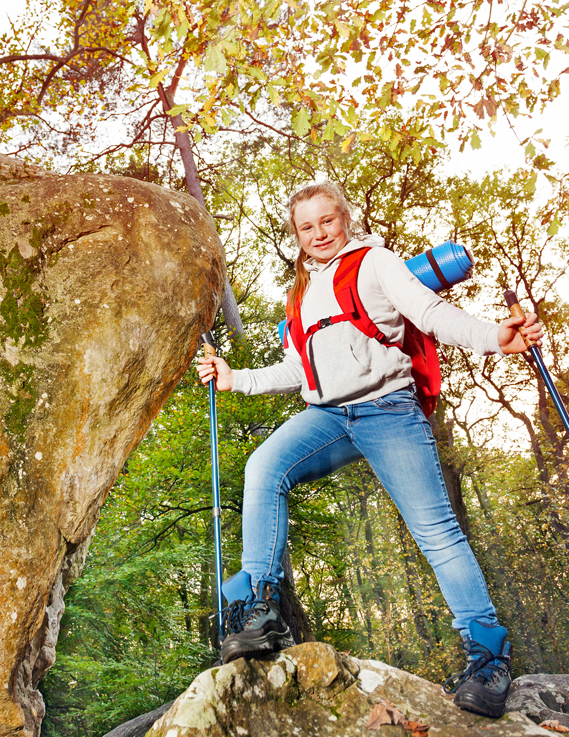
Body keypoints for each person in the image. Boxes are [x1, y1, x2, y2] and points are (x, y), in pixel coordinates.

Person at [195, 181, 543, 718]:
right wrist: (233, 377)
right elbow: (297, 369)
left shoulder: (375, 262)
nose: (318, 234)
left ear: (345, 219)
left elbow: (430, 314)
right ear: (296, 235)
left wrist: (495, 336)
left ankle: (487, 658)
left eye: (326, 221)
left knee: (436, 531)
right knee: (263, 466)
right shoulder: (301, 294)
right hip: (327, 416)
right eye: (305, 227)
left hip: (388, 410)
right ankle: (259, 608)